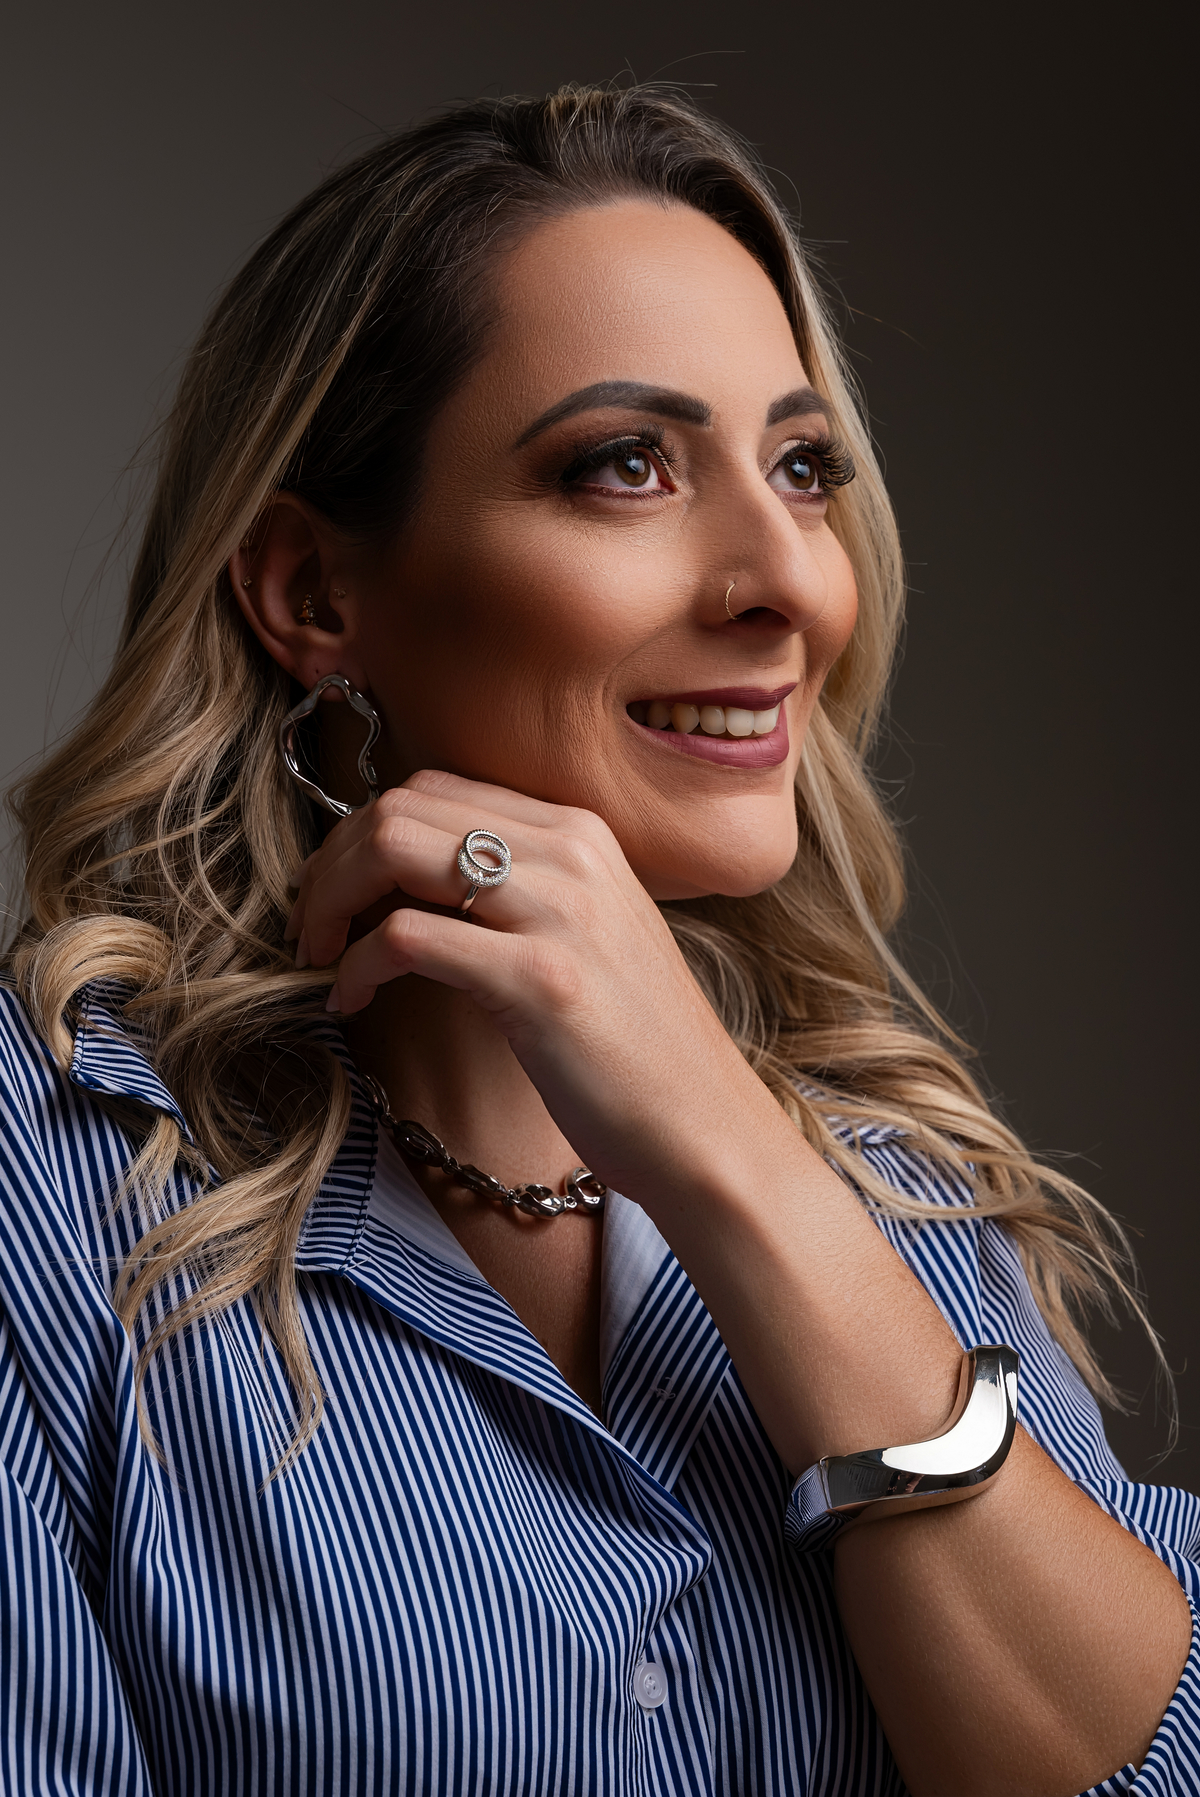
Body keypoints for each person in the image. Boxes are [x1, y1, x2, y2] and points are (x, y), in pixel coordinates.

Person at [1, 85, 1195, 1797]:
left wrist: (735, 1161)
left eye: (802, 467)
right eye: (627, 465)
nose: (788, 581)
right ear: (315, 594)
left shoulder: (903, 1189)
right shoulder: (55, 1181)